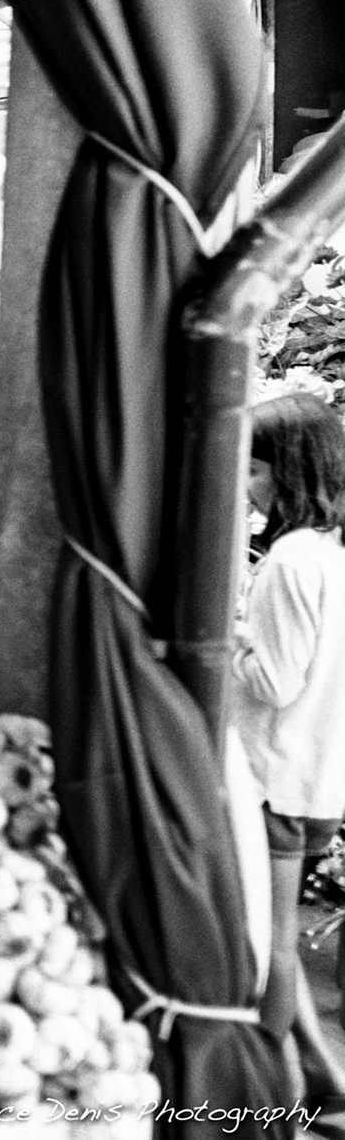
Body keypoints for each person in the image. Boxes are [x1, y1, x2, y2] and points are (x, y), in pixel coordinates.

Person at [232, 392, 345, 1109]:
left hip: (275, 778)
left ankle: (269, 1099)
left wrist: (228, 639)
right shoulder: (333, 553)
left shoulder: (289, 560)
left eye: (254, 469)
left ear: (288, 470)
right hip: (322, 778)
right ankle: (323, 1086)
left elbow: (274, 682)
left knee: (270, 946)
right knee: (279, 939)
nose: (246, 485)